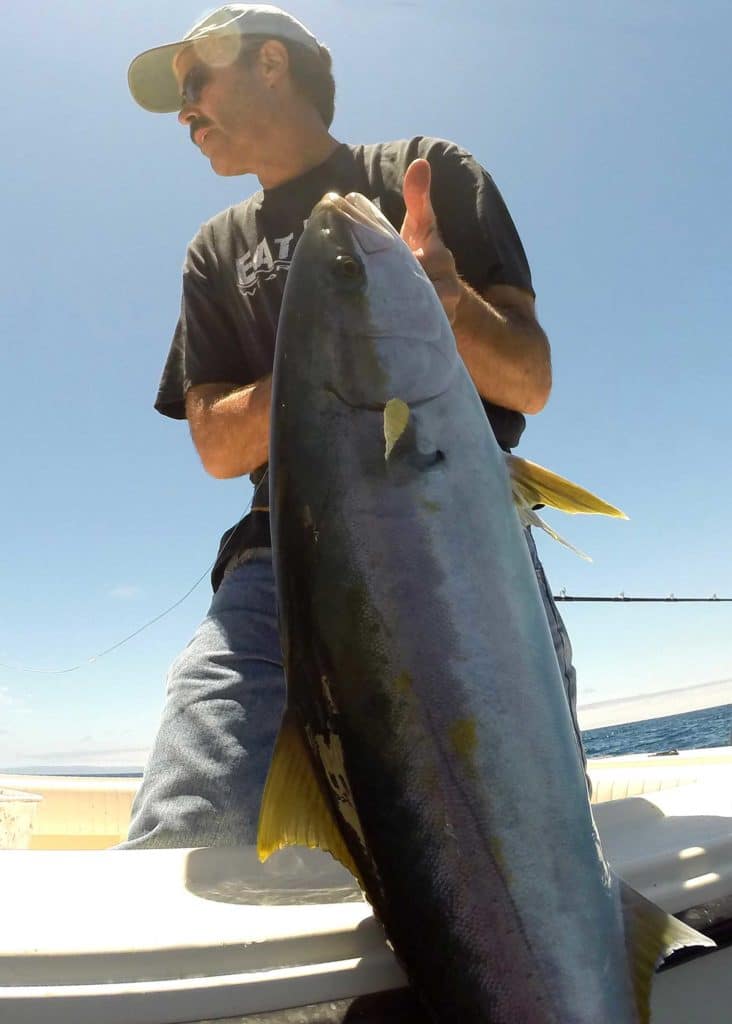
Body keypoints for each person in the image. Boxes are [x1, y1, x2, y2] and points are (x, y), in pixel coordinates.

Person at [122, 4, 584, 849]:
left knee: (530, 837)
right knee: (187, 834)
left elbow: (530, 379)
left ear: (270, 63)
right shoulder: (214, 249)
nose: (183, 112)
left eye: (193, 84)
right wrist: (337, 350)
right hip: (280, 558)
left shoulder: (425, 170)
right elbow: (216, 447)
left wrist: (445, 304)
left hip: (461, 534)